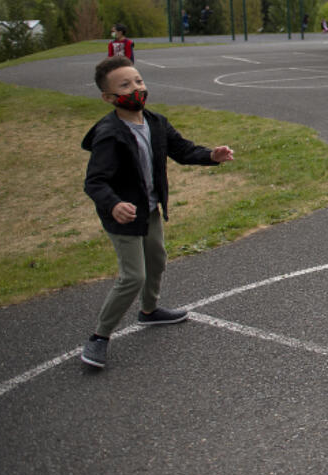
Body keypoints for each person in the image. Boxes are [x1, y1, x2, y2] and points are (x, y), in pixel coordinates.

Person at [80, 56, 234, 369]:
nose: (135, 88)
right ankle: (99, 337)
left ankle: (149, 312)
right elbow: (95, 182)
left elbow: (182, 149)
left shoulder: (155, 123)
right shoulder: (109, 134)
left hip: (149, 209)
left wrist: (210, 156)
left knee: (157, 260)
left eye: (138, 81)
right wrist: (113, 204)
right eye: (125, 85)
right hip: (122, 216)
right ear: (109, 98)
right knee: (132, 276)